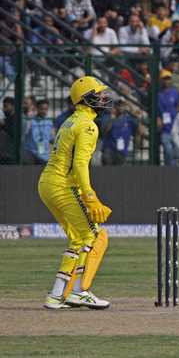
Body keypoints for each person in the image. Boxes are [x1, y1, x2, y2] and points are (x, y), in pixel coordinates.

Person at [39, 76, 112, 309]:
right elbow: (80, 164)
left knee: (77, 239)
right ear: (88, 98)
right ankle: (80, 291)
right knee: (94, 237)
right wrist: (89, 196)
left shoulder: (71, 120)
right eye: (98, 94)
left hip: (47, 183)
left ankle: (57, 295)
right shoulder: (88, 125)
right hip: (62, 185)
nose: (103, 98)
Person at [100, 98, 144, 165]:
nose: (120, 108)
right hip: (109, 147)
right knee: (107, 164)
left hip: (122, 150)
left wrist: (139, 120)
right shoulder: (107, 117)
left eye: (122, 106)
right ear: (115, 107)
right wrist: (111, 120)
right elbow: (104, 131)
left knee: (119, 171)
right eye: (118, 106)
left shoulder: (129, 119)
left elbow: (139, 132)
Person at [157, 70, 179, 166]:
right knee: (168, 151)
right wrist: (157, 118)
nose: (166, 81)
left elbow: (177, 107)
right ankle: (168, 169)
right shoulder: (157, 93)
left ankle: (173, 170)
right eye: (164, 79)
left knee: (176, 152)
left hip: (174, 125)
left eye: (168, 79)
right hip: (164, 127)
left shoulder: (175, 92)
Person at [23, 99, 55, 165]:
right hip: (31, 152)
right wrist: (28, 117)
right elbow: (25, 131)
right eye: (41, 109)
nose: (44, 111)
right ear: (37, 108)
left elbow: (52, 137)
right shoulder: (30, 120)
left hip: (44, 154)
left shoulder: (49, 121)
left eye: (46, 109)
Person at [0, 97, 16, 164]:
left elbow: (14, 132)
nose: (4, 109)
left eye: (6, 106)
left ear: (12, 106)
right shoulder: (6, 119)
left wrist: (4, 124)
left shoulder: (16, 120)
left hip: (11, 154)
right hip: (3, 153)